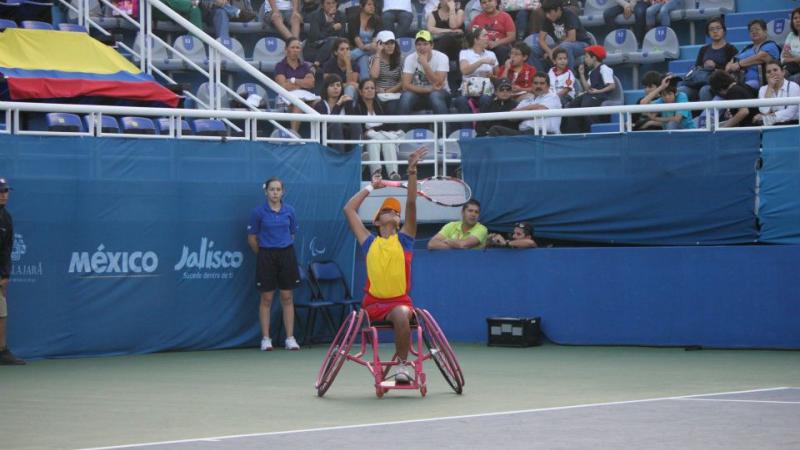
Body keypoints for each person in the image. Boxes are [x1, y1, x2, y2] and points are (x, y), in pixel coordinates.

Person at [343, 148, 427, 384]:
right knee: (398, 314)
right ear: (377, 221)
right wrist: (371, 187)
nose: (393, 212)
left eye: (395, 212)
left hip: (398, 303)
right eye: (387, 210)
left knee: (402, 314)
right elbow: (349, 210)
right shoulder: (368, 242)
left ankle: (402, 367)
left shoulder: (405, 240)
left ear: (399, 222)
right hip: (372, 305)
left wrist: (411, 171)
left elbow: (410, 202)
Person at [353, 79, 404, 179]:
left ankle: (393, 173)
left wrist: (372, 129)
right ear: (360, 91)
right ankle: (376, 173)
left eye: (372, 88)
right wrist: (374, 130)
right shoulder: (357, 107)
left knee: (387, 142)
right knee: (374, 141)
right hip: (367, 139)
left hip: (381, 136)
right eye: (366, 88)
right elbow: (361, 129)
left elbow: (387, 126)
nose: (370, 90)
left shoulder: (380, 105)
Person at [679, 17, 739, 102]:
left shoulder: (730, 49)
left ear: (724, 31)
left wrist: (715, 66)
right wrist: (704, 66)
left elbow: (732, 70)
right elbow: (697, 67)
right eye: (711, 29)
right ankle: (683, 115)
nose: (715, 31)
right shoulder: (704, 49)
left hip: (718, 84)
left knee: (704, 90)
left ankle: (706, 115)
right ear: (708, 33)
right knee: (682, 90)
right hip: (700, 82)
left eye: (718, 28)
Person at [398, 30, 451, 123]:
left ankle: (443, 133)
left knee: (435, 96)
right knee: (406, 97)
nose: (421, 47)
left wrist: (425, 64)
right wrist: (428, 89)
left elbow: (438, 83)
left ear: (432, 45)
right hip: (418, 93)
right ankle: (400, 133)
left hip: (441, 93)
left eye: (425, 44)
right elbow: (405, 85)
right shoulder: (410, 58)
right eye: (419, 44)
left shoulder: (442, 57)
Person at [561, 44, 615, 134]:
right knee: (572, 105)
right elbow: (587, 88)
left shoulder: (604, 69)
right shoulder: (591, 72)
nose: (585, 59)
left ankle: (591, 131)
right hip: (591, 94)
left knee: (586, 106)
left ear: (594, 58)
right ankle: (573, 132)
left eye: (586, 57)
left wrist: (598, 91)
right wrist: (581, 74)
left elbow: (612, 86)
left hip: (600, 96)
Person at [488, 72, 561, 135]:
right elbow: (511, 117)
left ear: (548, 86)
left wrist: (521, 112)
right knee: (496, 130)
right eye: (536, 83)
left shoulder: (553, 97)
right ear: (532, 85)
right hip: (524, 134)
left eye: (542, 83)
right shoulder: (527, 100)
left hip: (545, 134)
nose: (538, 86)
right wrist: (531, 106)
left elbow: (539, 111)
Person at [0, 178, 24, 365]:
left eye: (6, 191)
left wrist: (5, 275)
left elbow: (7, 248)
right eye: (1, 191)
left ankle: (2, 351)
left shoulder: (6, 218)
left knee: (1, 311)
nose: (4, 194)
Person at [531, 0, 591, 73]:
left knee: (565, 46)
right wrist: (549, 51)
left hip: (581, 44)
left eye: (550, 12)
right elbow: (541, 40)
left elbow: (572, 38)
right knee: (533, 49)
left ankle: (568, 78)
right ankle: (541, 77)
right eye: (546, 13)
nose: (547, 15)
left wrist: (554, 50)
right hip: (560, 44)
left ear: (558, 9)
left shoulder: (569, 14)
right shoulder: (548, 18)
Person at [454, 27, 499, 121]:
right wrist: (481, 62)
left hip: (486, 90)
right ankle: (466, 131)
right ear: (476, 39)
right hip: (468, 90)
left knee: (485, 99)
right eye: (485, 35)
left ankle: (482, 128)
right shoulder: (465, 53)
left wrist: (491, 76)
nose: (488, 37)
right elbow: (464, 71)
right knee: (461, 101)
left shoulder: (491, 54)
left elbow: (497, 76)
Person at [274, 37, 318, 134]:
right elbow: (283, 86)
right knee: (299, 102)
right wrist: (302, 83)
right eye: (292, 47)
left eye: (297, 48)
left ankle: (320, 137)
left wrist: (293, 80)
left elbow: (311, 83)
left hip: (305, 96)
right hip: (286, 98)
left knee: (320, 102)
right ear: (286, 49)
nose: (295, 50)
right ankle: (294, 135)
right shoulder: (280, 66)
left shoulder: (305, 66)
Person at [725, 19, 781, 93]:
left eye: (757, 29)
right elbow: (731, 62)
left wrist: (739, 64)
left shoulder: (770, 45)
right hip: (738, 80)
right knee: (709, 88)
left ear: (765, 31)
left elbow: (761, 57)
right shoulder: (746, 48)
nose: (754, 32)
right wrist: (731, 66)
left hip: (757, 83)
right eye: (751, 31)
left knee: (734, 89)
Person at [314, 74, 359, 151]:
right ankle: (339, 156)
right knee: (336, 124)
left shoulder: (345, 102)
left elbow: (351, 122)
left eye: (338, 85)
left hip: (344, 137)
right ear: (326, 88)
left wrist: (349, 104)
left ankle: (356, 154)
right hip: (325, 136)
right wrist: (338, 105)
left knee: (356, 124)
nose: (336, 88)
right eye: (332, 85)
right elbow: (328, 124)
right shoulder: (320, 105)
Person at [753, 61, 800, 126]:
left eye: (775, 70)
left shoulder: (793, 86)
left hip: (792, 124)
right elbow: (764, 111)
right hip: (772, 125)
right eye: (768, 72)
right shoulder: (763, 89)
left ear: (783, 72)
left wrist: (769, 116)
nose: (772, 73)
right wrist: (770, 87)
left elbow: (791, 112)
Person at [303, 0, 348, 67]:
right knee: (333, 40)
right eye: (328, 3)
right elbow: (316, 37)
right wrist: (332, 28)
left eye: (333, 3)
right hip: (315, 50)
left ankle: (316, 65)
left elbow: (341, 38)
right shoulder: (315, 16)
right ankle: (317, 65)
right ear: (322, 5)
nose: (331, 5)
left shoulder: (341, 16)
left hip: (333, 50)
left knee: (335, 41)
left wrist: (332, 20)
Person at [369, 30, 404, 114]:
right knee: (378, 103)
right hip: (378, 93)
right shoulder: (373, 58)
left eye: (392, 43)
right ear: (379, 44)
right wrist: (378, 53)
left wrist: (388, 91)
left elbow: (403, 82)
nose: (390, 46)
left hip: (394, 92)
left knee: (391, 106)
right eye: (386, 43)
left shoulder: (400, 59)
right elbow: (374, 76)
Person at [349, 0, 382, 81]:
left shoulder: (377, 20)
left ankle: (348, 57)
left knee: (358, 54)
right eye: (369, 4)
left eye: (373, 5)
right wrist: (365, 47)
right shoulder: (354, 19)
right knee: (363, 58)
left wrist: (370, 46)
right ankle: (365, 82)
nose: (372, 7)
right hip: (358, 47)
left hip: (372, 49)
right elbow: (356, 39)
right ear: (361, 6)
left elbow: (375, 41)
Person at [781, 7, 800, 84]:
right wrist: (797, 59)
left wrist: (791, 56)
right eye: (795, 18)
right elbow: (783, 58)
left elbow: (787, 57)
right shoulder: (791, 36)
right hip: (791, 67)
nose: (798, 20)